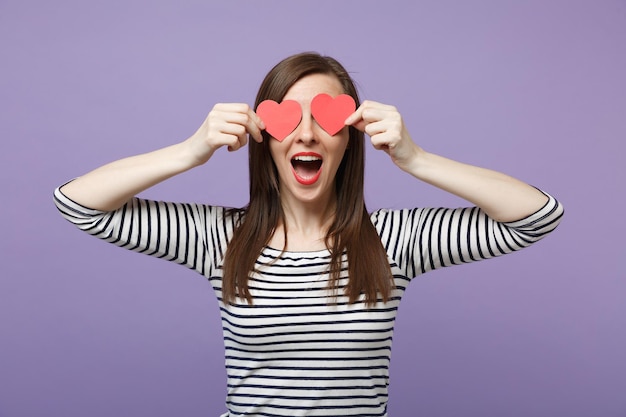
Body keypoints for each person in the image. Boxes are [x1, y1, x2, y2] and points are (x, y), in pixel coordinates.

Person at [54, 52, 564, 416]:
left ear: (350, 138)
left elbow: (538, 215)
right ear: (262, 135)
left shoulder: (395, 241)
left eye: (325, 118)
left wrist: (417, 158)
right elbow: (78, 202)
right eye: (287, 119)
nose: (305, 134)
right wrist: (190, 151)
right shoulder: (220, 239)